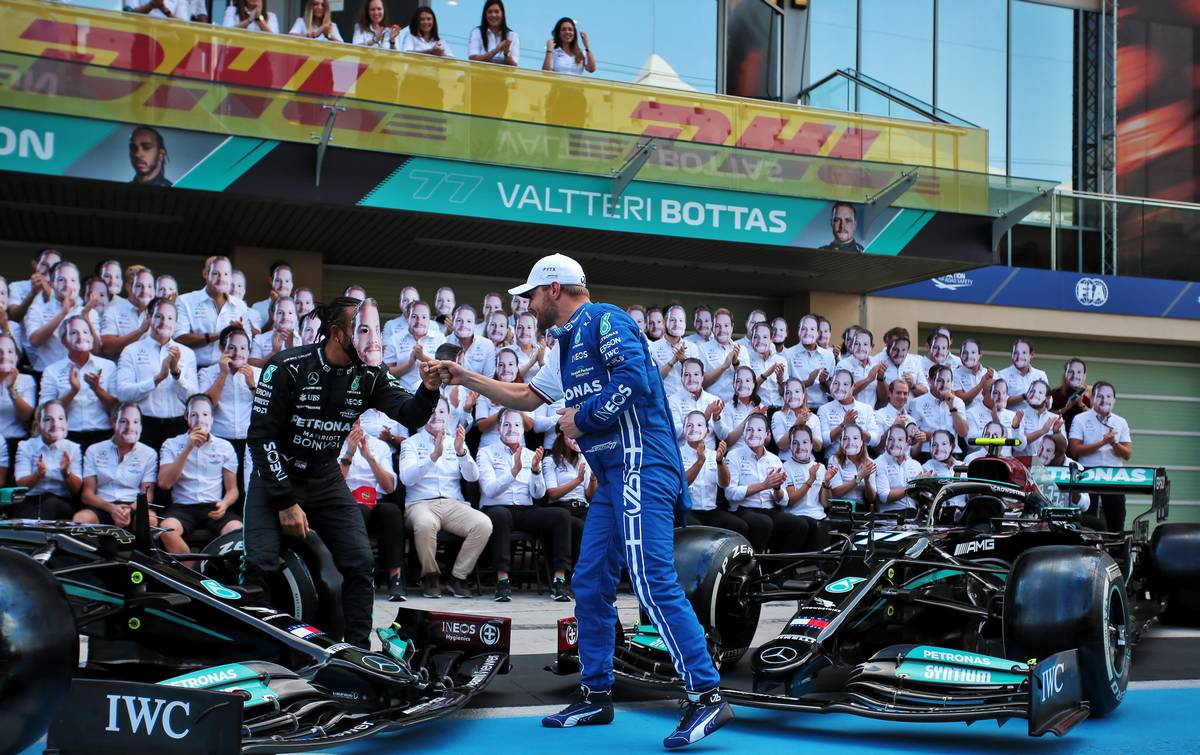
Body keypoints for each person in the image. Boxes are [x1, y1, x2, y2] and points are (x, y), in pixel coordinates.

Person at [433, 254, 732, 745]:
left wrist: (584, 418)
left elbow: (633, 382)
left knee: (651, 577)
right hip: (616, 477)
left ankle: (707, 696)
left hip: (644, 464)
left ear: (554, 288)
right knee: (590, 581)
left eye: (530, 294)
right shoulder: (564, 345)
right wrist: (463, 377)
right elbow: (528, 398)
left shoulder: (604, 319)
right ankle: (596, 694)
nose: (527, 305)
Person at [242, 297, 442, 650]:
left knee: (360, 562)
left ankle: (359, 655)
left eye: (376, 330)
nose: (373, 339)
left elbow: (410, 415)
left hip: (325, 477)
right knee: (260, 563)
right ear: (337, 334)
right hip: (276, 476)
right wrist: (285, 501)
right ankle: (257, 650)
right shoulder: (286, 367)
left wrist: (428, 389)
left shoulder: (371, 374)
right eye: (363, 329)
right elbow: (260, 438)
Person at [477, 409, 573, 601]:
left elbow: (538, 494)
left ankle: (559, 580)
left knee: (561, 516)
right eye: (506, 424)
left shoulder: (531, 455)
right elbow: (489, 489)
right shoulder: (485, 453)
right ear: (498, 428)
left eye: (517, 425)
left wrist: (536, 471)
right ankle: (502, 580)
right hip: (497, 507)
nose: (512, 429)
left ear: (523, 430)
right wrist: (513, 472)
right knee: (500, 516)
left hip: (525, 508)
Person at [399, 399, 490, 599]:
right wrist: (432, 457)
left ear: (448, 416)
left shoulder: (455, 441)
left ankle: (458, 577)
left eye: (441, 412)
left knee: (483, 523)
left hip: (452, 503)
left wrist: (461, 453)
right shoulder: (410, 443)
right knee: (425, 524)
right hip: (420, 504)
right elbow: (406, 478)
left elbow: (472, 477)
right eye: (431, 411)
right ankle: (430, 576)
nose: (436, 416)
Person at [157, 394, 240, 554]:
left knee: (237, 530)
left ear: (212, 418)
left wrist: (225, 504)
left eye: (205, 414)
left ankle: (217, 572)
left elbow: (232, 490)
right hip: (182, 507)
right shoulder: (171, 444)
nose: (199, 420)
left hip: (213, 505)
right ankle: (191, 573)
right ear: (186, 417)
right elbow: (164, 483)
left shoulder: (225, 447)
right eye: (194, 414)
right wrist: (187, 448)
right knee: (167, 529)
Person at [115, 298, 198, 449]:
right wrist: (156, 379)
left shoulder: (187, 353)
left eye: (170, 318)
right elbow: (122, 394)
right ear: (150, 318)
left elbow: (192, 398)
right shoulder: (131, 351)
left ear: (176, 323)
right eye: (159, 316)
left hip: (178, 425)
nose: (164, 321)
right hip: (143, 425)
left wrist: (176, 373)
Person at [338, 420, 406, 600]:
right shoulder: (332, 443)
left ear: (359, 421)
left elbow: (390, 487)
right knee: (358, 511)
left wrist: (369, 457)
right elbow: (334, 483)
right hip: (346, 502)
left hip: (375, 500)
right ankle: (363, 575)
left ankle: (396, 577)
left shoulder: (379, 446)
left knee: (392, 512)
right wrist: (349, 454)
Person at [725, 412, 808, 554]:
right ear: (744, 432)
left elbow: (784, 500)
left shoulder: (774, 459)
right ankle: (751, 567)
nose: (753, 434)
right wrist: (763, 485)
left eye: (759, 430)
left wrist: (776, 489)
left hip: (769, 509)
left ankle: (776, 569)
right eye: (749, 429)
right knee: (763, 522)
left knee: (801, 525)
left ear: (767, 434)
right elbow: (730, 493)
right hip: (743, 509)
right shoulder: (734, 455)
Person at [38, 315, 118, 451]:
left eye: (85, 332)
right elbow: (44, 412)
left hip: (103, 436)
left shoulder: (108, 366)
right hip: (67, 438)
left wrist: (97, 388)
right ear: (64, 341)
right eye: (74, 333)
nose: (81, 337)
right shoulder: (52, 371)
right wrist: (72, 391)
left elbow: (116, 408)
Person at [74, 403, 158, 528]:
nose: (130, 427)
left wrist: (129, 509)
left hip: (134, 505)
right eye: (124, 421)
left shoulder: (149, 453)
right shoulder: (94, 450)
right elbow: (87, 495)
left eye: (136, 422)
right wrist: (112, 509)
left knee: (150, 520)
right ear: (112, 423)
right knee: (80, 519)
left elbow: (148, 495)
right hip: (103, 505)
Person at [199, 326, 258, 492]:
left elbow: (267, 409)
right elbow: (207, 406)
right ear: (222, 349)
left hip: (249, 442)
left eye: (242, 348)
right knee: (222, 490)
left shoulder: (259, 373)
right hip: (219, 440)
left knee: (247, 489)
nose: (237, 352)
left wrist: (252, 385)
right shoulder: (207, 373)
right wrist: (223, 374)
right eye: (231, 347)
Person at [1067, 381, 1132, 532]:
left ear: (1114, 400)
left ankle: (1116, 553)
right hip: (1087, 472)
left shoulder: (1120, 421)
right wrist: (1103, 442)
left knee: (1116, 520)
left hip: (1114, 474)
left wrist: (1114, 443)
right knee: (1087, 521)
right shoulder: (1080, 419)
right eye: (1100, 396)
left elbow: (1128, 454)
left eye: (1109, 396)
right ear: (1091, 398)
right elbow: (1074, 449)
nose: (1104, 400)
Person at [175, 257, 254, 369]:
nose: (221, 278)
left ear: (231, 277)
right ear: (206, 274)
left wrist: (239, 333)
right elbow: (180, 338)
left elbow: (248, 343)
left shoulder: (240, 305)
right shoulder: (185, 301)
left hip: (228, 370)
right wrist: (222, 333)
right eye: (216, 273)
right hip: (192, 369)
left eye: (226, 274)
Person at [25, 261, 101, 375]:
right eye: (61, 280)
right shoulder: (37, 309)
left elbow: (96, 349)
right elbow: (34, 341)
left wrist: (85, 316)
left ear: (79, 285)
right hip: (45, 373)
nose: (67, 284)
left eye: (73, 280)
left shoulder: (89, 312)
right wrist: (63, 313)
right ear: (51, 284)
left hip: (81, 374)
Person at [12, 401, 81, 520]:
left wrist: (66, 473)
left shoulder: (73, 448)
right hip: (30, 500)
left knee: (51, 503)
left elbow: (76, 489)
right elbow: (21, 484)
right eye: (48, 419)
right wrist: (38, 474)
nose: (55, 424)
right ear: (38, 424)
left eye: (60, 419)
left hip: (60, 501)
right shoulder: (25, 446)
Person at [680, 414, 744, 537]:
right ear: (684, 431)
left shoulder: (714, 454)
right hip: (687, 510)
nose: (694, 428)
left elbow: (725, 483)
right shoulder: (678, 454)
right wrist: (699, 462)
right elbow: (681, 484)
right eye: (689, 425)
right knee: (697, 530)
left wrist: (720, 462)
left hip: (711, 510)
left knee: (739, 526)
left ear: (707, 431)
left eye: (699, 425)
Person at [544, 427, 596, 564]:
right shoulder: (550, 460)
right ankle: (574, 571)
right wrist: (577, 481)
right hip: (561, 507)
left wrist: (593, 479)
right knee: (581, 527)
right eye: (571, 434)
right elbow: (553, 493)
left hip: (582, 507)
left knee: (601, 525)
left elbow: (589, 495)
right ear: (560, 435)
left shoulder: (584, 458)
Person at [783, 427, 835, 551]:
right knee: (811, 525)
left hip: (819, 515)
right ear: (790, 445)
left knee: (830, 524)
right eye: (795, 442)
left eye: (805, 442)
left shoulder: (820, 467)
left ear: (812, 445)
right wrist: (811, 479)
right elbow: (791, 500)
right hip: (796, 515)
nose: (800, 446)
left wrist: (826, 483)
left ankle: (821, 567)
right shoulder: (785, 467)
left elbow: (825, 504)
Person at [473, 348, 530, 450]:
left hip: (517, 449)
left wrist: (515, 405)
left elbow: (529, 426)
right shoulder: (485, 391)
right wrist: (503, 411)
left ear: (517, 368)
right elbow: (481, 427)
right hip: (489, 448)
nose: (506, 369)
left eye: (511, 364)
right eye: (501, 365)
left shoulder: (524, 390)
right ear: (496, 368)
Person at [906, 365, 968, 457]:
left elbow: (963, 433)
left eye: (948, 381)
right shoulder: (916, 403)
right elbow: (913, 436)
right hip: (926, 452)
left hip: (952, 453)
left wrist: (952, 407)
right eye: (939, 381)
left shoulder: (958, 402)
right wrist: (932, 436)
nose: (944, 385)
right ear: (930, 381)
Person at [385, 299, 445, 392]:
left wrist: (422, 357)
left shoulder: (439, 338)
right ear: (407, 318)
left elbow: (445, 369)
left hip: (433, 393)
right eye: (414, 316)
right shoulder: (395, 339)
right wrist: (409, 364)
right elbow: (385, 373)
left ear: (429, 319)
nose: (419, 321)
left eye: (424, 317)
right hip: (403, 394)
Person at [668, 358, 728, 450]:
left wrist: (716, 419)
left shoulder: (714, 400)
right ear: (681, 377)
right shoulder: (672, 401)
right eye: (687, 375)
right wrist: (705, 416)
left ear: (702, 376)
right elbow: (673, 432)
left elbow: (723, 436)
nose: (691, 379)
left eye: (696, 374)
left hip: (709, 457)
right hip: (684, 457)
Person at [817, 369, 878, 457]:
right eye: (836, 383)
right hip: (834, 461)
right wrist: (843, 425)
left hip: (861, 460)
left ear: (853, 386)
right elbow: (824, 441)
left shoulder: (866, 409)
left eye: (845, 384)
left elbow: (875, 441)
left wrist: (857, 429)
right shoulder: (824, 409)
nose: (840, 388)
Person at [648, 304, 701, 400]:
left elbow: (697, 380)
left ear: (685, 325)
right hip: (662, 402)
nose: (677, 324)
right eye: (672, 320)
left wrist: (684, 361)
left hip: (687, 403)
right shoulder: (652, 348)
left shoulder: (693, 348)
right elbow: (653, 379)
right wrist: (672, 361)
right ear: (664, 322)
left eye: (681, 320)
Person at [100, 265, 155, 358]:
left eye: (149, 286)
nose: (145, 290)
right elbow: (108, 349)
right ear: (128, 286)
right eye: (139, 285)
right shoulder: (113, 311)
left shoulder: (159, 312)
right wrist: (140, 331)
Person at [0, 334, 35, 473]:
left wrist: (11, 390)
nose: (4, 356)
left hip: (16, 442)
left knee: (13, 493)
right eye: (0, 352)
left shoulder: (26, 380)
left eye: (9, 351)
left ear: (16, 357)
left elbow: (26, 416)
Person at [785, 314, 835, 410]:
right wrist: (808, 382)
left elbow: (832, 390)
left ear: (818, 333)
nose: (807, 332)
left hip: (821, 407)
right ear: (799, 332)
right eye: (803, 329)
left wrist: (824, 383)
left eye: (812, 329)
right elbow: (783, 388)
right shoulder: (788, 354)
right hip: (796, 408)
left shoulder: (828, 356)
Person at [699, 307, 748, 405]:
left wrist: (735, 363)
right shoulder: (702, 349)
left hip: (736, 406)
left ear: (732, 327)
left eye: (726, 325)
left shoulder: (742, 350)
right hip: (712, 405)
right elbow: (700, 382)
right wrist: (723, 367)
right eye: (718, 326)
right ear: (712, 327)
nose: (722, 330)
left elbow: (749, 383)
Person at [872, 425, 922, 518]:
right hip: (889, 515)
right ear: (885, 441)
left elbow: (922, 498)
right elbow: (884, 496)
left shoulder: (915, 464)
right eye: (891, 439)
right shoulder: (878, 463)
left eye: (900, 439)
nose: (895, 443)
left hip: (914, 515)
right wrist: (915, 484)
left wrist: (925, 485)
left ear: (907, 442)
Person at [771, 378, 822, 463]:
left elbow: (818, 447)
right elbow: (782, 446)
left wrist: (805, 430)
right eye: (788, 392)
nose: (792, 396)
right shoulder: (778, 416)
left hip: (809, 462)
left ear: (803, 395)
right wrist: (796, 424)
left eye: (797, 392)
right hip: (786, 461)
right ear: (784, 396)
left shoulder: (813, 418)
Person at [826, 424, 876, 509]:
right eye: (845, 439)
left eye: (855, 438)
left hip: (861, 508)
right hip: (841, 507)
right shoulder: (834, 459)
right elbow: (837, 492)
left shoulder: (869, 462)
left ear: (861, 442)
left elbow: (871, 499)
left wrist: (867, 481)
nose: (850, 443)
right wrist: (859, 477)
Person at [996, 338, 1048, 413]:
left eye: (1024, 353)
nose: (1019, 356)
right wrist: (1024, 396)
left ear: (1032, 354)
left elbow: (1048, 402)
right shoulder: (1002, 375)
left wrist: (1045, 399)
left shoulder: (1040, 374)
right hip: (1013, 420)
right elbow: (1000, 401)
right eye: (1016, 353)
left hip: (1036, 420)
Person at [837, 327, 885, 407]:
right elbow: (842, 394)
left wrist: (880, 379)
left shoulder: (876, 364)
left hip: (870, 415)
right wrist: (868, 379)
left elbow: (882, 398)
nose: (860, 348)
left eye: (865, 344)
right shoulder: (843, 365)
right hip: (849, 413)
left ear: (872, 347)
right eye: (857, 344)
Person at [877, 329, 928, 404]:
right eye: (895, 349)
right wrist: (881, 379)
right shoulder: (876, 361)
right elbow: (880, 397)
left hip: (911, 413)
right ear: (888, 344)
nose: (899, 353)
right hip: (886, 412)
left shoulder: (916, 361)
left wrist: (913, 386)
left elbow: (926, 392)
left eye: (903, 349)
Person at [745, 321, 788, 409]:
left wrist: (780, 382)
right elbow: (748, 391)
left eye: (765, 337)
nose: (760, 341)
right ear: (751, 339)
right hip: (758, 409)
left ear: (771, 338)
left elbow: (783, 393)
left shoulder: (781, 360)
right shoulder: (747, 359)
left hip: (779, 409)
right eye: (756, 337)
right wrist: (766, 374)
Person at [448, 305, 496, 378]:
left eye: (469, 321)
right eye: (459, 320)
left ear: (475, 325)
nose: (463, 325)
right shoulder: (443, 341)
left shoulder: (487, 345)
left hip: (480, 389)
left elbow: (489, 378)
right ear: (453, 323)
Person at [249, 296, 298, 367]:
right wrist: (274, 352)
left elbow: (305, 368)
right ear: (273, 316)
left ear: (296, 317)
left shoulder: (305, 338)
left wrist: (291, 347)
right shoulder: (259, 339)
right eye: (280, 312)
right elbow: (252, 364)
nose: (285, 317)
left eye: (290, 313)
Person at [1018, 379, 1064, 450]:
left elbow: (1064, 447)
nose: (1034, 395)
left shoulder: (1056, 418)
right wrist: (1043, 431)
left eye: (1040, 392)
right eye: (1032, 391)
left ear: (1047, 398)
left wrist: (1057, 432)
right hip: (1024, 460)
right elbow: (1018, 443)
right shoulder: (1018, 415)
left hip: (1046, 460)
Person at [469, 0, 519, 65]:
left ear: (502, 14)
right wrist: (495, 50)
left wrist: (506, 52)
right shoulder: (477, 32)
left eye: (496, 11)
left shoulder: (512, 36)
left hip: (502, 75)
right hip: (480, 75)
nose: (493, 15)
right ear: (485, 15)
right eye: (490, 12)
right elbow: (473, 59)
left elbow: (514, 66)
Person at [1050, 358, 1092, 433]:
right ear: (1065, 374)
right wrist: (1065, 409)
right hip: (1061, 434)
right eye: (1070, 372)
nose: (1075, 375)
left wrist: (1081, 404)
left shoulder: (1089, 394)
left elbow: (1096, 418)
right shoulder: (1056, 393)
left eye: (1079, 372)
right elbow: (1046, 416)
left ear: (1084, 375)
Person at [250, 262, 293, 332]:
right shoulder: (257, 308)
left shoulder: (299, 307)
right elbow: (255, 338)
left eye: (287, 280)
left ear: (292, 283)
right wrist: (270, 321)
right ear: (270, 281)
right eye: (278, 280)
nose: (283, 285)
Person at [953, 338, 993, 410]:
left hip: (988, 418)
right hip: (965, 418)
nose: (969, 356)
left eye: (973, 352)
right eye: (965, 353)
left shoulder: (990, 373)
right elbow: (961, 401)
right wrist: (981, 384)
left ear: (980, 354)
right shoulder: (954, 374)